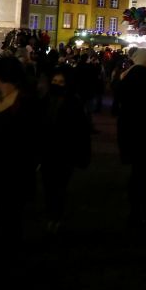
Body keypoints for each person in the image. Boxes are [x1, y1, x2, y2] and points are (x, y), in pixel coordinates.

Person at [0, 56, 41, 249]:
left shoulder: (26, 104)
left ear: (4, 77)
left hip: (14, 173)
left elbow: (34, 139)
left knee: (10, 217)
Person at [113, 48, 146, 226]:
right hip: (140, 134)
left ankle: (137, 209)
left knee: (137, 172)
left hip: (129, 132)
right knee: (141, 174)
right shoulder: (142, 76)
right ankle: (138, 210)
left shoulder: (127, 76)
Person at [40, 67, 91, 235]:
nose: (57, 84)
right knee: (48, 185)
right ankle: (51, 214)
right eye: (54, 81)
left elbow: (80, 131)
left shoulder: (73, 103)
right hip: (48, 150)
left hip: (64, 151)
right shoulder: (46, 100)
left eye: (61, 82)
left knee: (59, 185)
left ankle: (56, 216)